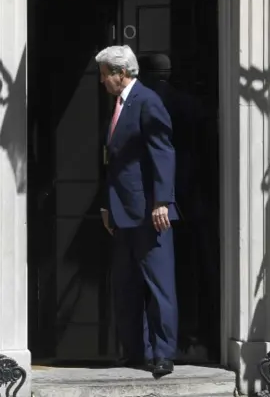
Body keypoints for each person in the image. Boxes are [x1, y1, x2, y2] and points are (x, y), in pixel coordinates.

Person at [95, 45, 178, 376]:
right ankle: (134, 350)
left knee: (158, 286)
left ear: (121, 74)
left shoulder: (147, 101)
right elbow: (112, 162)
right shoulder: (120, 103)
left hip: (148, 211)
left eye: (104, 75)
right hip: (122, 211)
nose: (102, 81)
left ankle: (163, 353)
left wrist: (162, 201)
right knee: (126, 285)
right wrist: (105, 203)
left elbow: (163, 152)